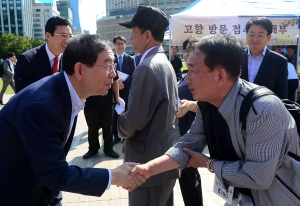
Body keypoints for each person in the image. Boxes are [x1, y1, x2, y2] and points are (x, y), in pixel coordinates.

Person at [128, 34, 300, 206]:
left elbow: (257, 177)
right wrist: (147, 169)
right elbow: (186, 146)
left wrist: (208, 163)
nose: (186, 79)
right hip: (243, 197)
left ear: (219, 76)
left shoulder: (263, 110)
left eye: (193, 71)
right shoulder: (207, 104)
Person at [0, 34, 146, 206]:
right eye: (107, 65)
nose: (114, 74)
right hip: (16, 195)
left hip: (41, 191)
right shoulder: (42, 107)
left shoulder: (67, 92)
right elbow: (54, 173)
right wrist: (114, 176)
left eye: (113, 65)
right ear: (80, 70)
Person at [118, 5, 180, 206]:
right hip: (162, 157)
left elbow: (134, 120)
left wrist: (120, 124)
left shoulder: (147, 67)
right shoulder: (162, 61)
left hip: (146, 164)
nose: (130, 38)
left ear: (147, 35)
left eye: (134, 32)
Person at [176, 36, 203, 206]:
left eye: (192, 50)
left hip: (191, 136)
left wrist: (191, 105)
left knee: (189, 180)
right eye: (186, 50)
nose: (187, 54)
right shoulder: (185, 74)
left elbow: (211, 107)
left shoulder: (203, 76)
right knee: (188, 178)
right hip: (180, 135)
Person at [14, 16, 72, 93]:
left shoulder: (70, 60)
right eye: (63, 36)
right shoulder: (27, 60)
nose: (67, 40)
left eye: (70, 36)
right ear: (48, 35)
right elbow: (24, 96)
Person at [240, 17, 288, 99]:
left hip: (266, 109)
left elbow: (281, 93)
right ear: (246, 36)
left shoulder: (279, 61)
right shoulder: (236, 56)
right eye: (251, 34)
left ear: (269, 37)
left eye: (260, 35)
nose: (255, 39)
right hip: (238, 109)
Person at [82, 76, 120, 159]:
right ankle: (93, 149)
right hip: (90, 101)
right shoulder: (87, 63)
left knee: (108, 127)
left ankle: (109, 149)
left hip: (107, 101)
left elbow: (115, 81)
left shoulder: (109, 65)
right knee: (92, 127)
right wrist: (81, 98)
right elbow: (81, 81)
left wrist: (117, 97)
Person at [111, 35, 136, 144]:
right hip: (113, 90)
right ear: (114, 45)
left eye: (122, 43)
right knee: (114, 114)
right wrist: (116, 84)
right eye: (117, 43)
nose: (120, 45)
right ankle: (116, 136)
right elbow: (107, 73)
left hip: (126, 90)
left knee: (126, 113)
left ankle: (125, 135)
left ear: (125, 45)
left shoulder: (130, 59)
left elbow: (133, 74)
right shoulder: (111, 58)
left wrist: (122, 83)